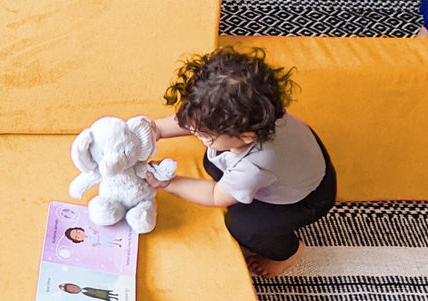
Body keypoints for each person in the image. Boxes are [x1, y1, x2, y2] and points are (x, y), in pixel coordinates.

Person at [144, 46, 336, 278]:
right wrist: (153, 130)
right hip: (304, 159)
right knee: (211, 161)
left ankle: (289, 253)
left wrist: (168, 184)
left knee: (243, 226)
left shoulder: (254, 166)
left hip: (306, 200)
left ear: (246, 137)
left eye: (204, 134)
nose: (194, 132)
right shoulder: (258, 112)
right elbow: (192, 119)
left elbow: (217, 196)